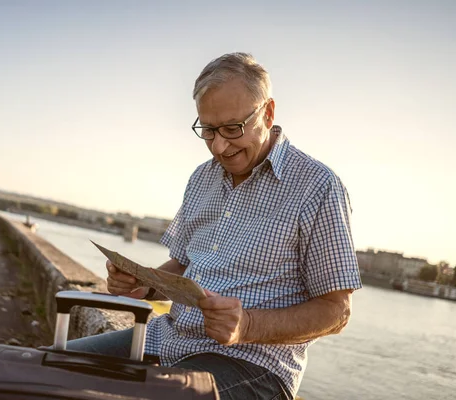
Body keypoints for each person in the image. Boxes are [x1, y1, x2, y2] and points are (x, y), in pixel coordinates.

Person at [68, 53, 362, 400]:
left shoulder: (318, 186)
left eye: (232, 129)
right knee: (43, 367)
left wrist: (248, 325)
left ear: (267, 113)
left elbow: (336, 311)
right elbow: (180, 267)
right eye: (207, 130)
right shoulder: (202, 177)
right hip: (167, 339)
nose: (219, 146)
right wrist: (141, 285)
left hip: (254, 366)